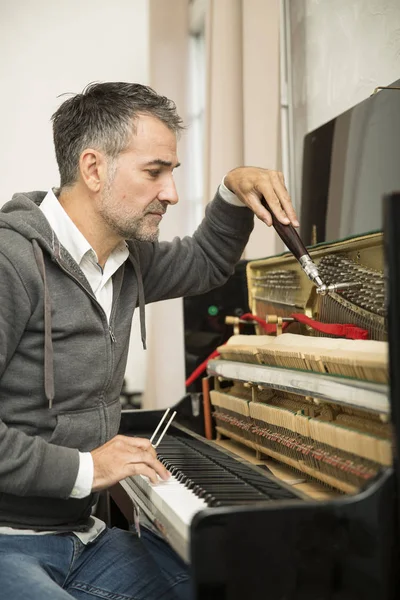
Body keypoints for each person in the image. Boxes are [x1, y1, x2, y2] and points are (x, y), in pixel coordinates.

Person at [0, 82, 298, 600]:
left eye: (172, 173)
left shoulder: (129, 258)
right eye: (154, 172)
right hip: (7, 539)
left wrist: (233, 189)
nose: (171, 193)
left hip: (81, 536)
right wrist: (91, 467)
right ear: (94, 169)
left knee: (228, 585)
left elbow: (205, 261)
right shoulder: (10, 262)